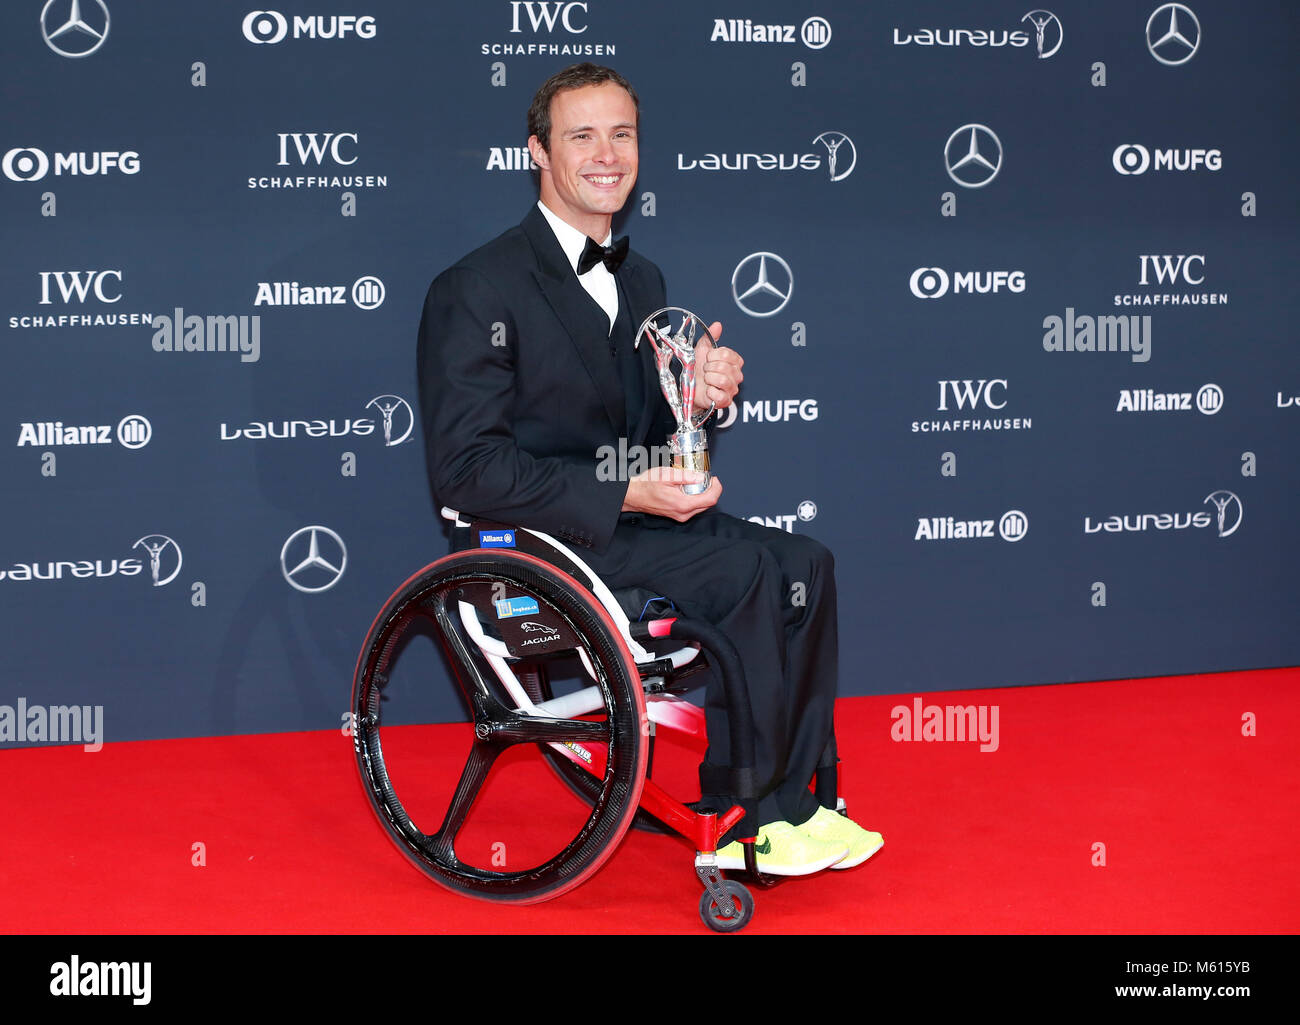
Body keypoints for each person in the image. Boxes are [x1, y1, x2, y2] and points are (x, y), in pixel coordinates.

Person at [417, 63, 882, 875]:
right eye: (582, 136)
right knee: (741, 569)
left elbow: (657, 433)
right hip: (544, 540)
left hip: (637, 523)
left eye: (622, 135)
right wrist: (627, 488)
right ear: (538, 152)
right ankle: (751, 817)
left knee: (807, 562)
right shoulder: (476, 287)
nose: (607, 155)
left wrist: (697, 394)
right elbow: (466, 470)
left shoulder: (644, 280)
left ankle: (799, 799)